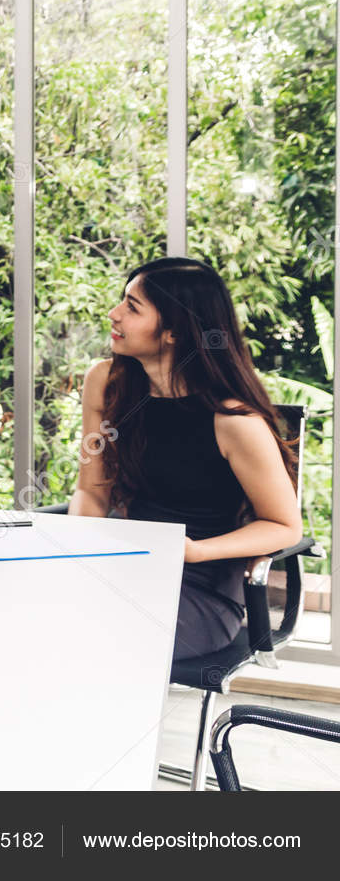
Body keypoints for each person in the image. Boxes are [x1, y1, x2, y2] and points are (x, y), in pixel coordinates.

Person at [71, 257, 304, 660]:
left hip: (198, 590)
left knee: (92, 637)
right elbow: (92, 491)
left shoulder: (235, 422)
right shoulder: (106, 383)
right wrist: (78, 552)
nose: (114, 313)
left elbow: (285, 527)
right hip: (125, 567)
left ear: (175, 332)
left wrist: (196, 551)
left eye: (132, 307)